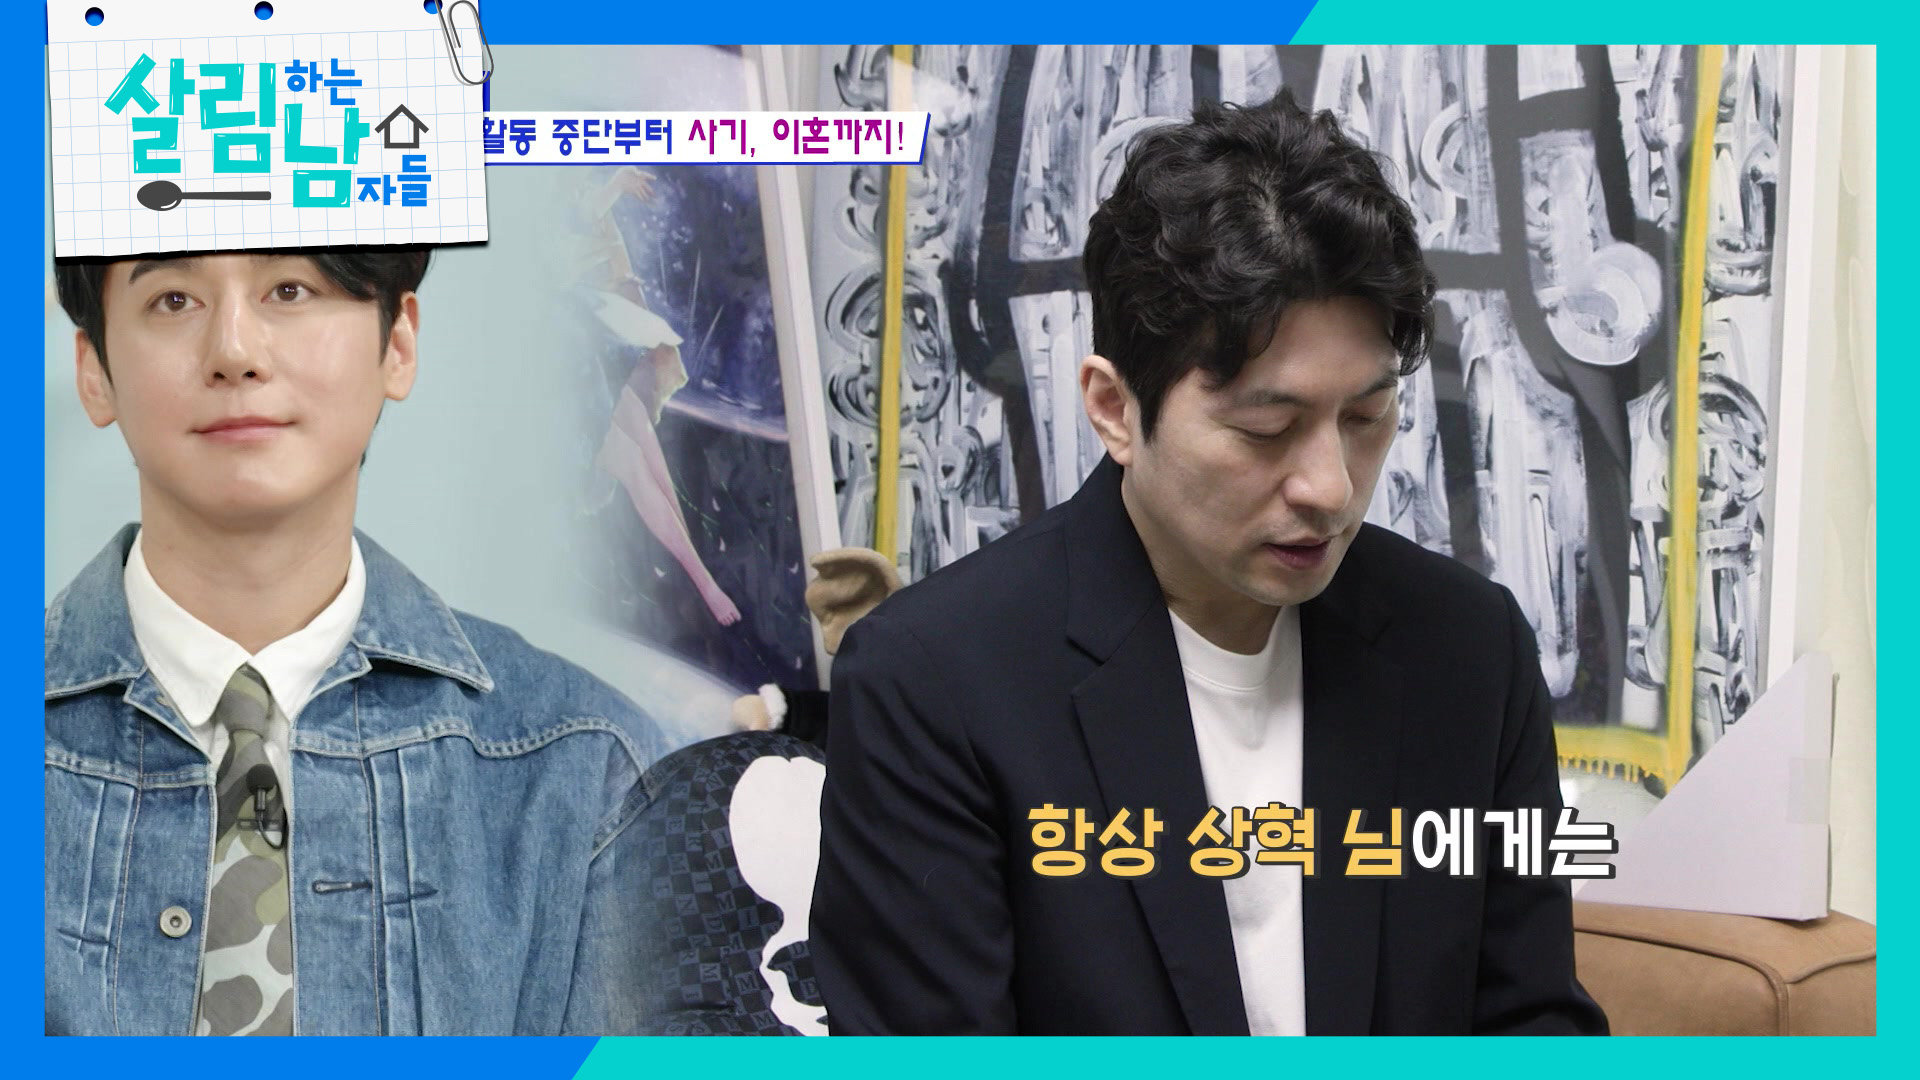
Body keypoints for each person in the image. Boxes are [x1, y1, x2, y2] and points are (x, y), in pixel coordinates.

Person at [809, 91, 1611, 1035]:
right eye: (1267, 428)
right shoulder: (935, 682)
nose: (1329, 488)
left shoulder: (1469, 651)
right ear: (1115, 409)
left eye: (1365, 417)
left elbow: (1532, 1019)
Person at [45, 248, 669, 1035]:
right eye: (173, 300)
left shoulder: (590, 768)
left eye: (290, 289)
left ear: (397, 343)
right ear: (94, 370)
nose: (234, 351)